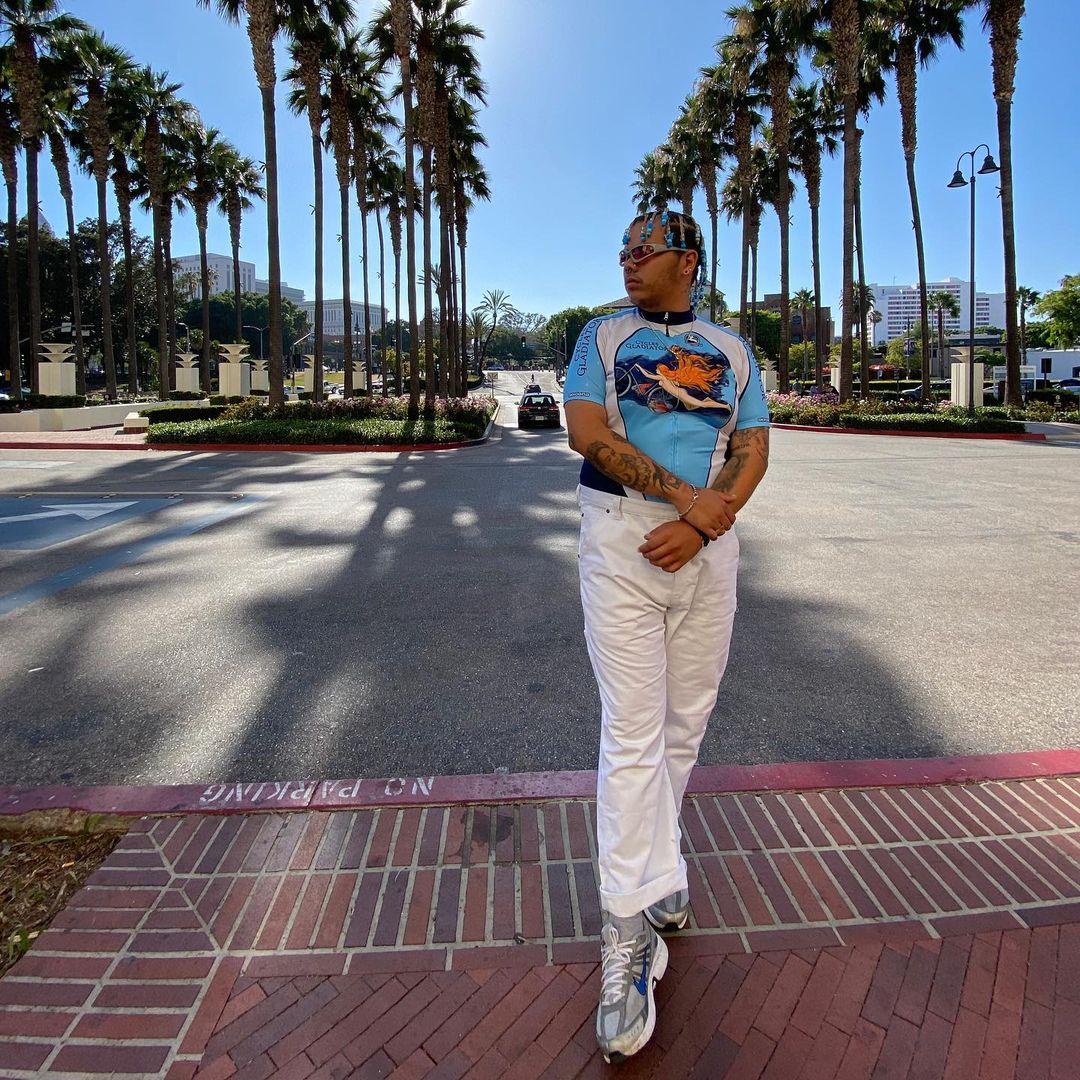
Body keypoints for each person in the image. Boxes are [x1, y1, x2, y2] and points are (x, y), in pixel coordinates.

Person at [563, 208, 770, 1063]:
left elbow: (752, 448)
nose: (627, 261)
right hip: (623, 539)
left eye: (642, 250)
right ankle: (626, 931)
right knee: (633, 732)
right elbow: (586, 432)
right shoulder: (603, 336)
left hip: (709, 548)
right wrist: (686, 505)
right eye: (622, 249)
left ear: (687, 259)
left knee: (684, 727)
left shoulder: (733, 348)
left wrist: (704, 525)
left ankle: (662, 877)